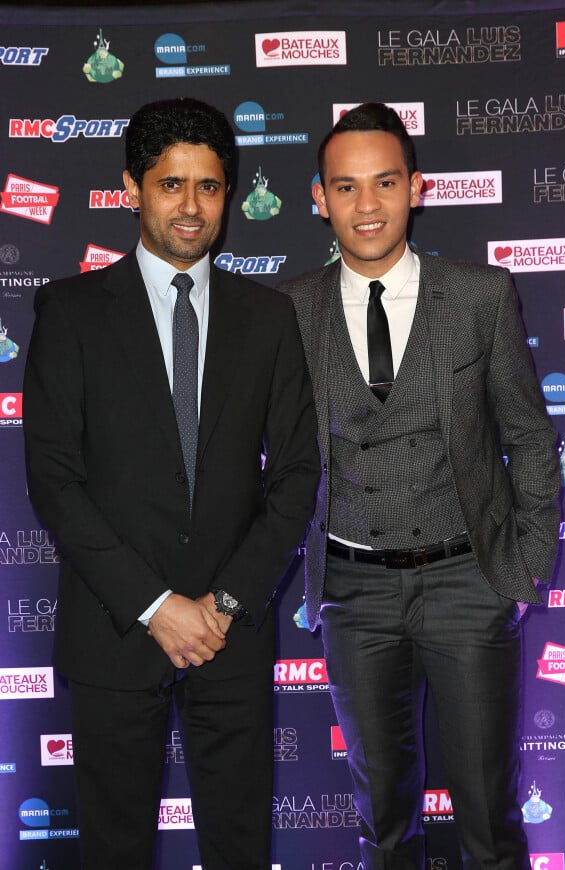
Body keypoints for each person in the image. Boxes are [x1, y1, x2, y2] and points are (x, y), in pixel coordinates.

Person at [23, 97, 320, 870]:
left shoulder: (268, 319)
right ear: (133, 188)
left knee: (239, 846)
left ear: (229, 193)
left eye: (210, 187)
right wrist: (157, 607)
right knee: (113, 850)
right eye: (170, 184)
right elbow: (54, 481)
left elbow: (295, 477)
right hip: (116, 632)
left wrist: (219, 605)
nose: (191, 207)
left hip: (232, 636)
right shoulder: (70, 311)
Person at [280, 102, 560, 869]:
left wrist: (525, 569)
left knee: (490, 820)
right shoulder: (286, 308)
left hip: (470, 579)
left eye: (384, 183)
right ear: (319, 198)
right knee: (382, 823)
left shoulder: (479, 296)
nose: (366, 206)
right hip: (351, 589)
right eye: (345, 187)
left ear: (417, 188)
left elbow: (532, 436)